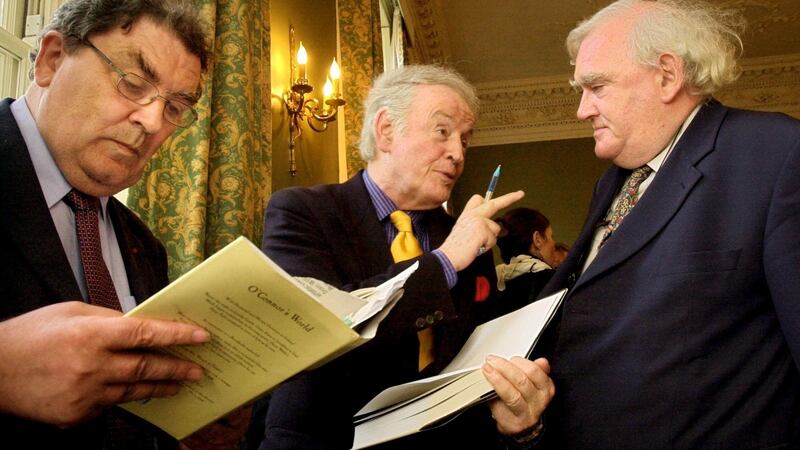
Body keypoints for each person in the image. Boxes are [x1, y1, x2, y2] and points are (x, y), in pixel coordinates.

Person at [537, 0, 800, 447]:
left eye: (596, 86)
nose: (582, 110)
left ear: (667, 75)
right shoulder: (614, 182)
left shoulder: (776, 153)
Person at [258, 65, 554, 449]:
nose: (457, 153)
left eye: (464, 140)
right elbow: (316, 331)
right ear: (386, 130)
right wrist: (444, 262)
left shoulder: (466, 238)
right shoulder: (301, 211)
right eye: (443, 132)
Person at [0, 1, 247, 448]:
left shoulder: (143, 244)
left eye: (174, 107)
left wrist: (189, 422)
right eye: (132, 83)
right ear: (52, 60)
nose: (152, 121)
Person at [494, 208, 557, 315]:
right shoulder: (552, 282)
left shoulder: (493, 282)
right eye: (551, 236)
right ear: (538, 239)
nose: (554, 243)